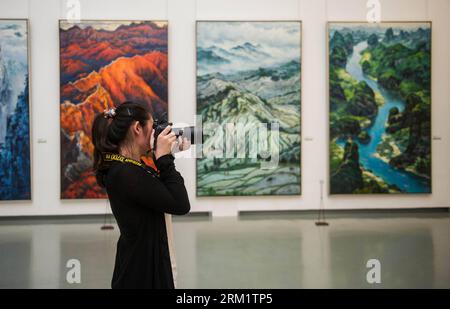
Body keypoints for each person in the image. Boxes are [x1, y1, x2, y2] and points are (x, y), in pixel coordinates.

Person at [91, 101, 191, 289]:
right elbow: (180, 204)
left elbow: (162, 193)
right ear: (138, 128)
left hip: (138, 262)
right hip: (142, 272)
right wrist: (164, 160)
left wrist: (163, 155)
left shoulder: (127, 167)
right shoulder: (125, 173)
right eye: (152, 126)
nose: (156, 132)